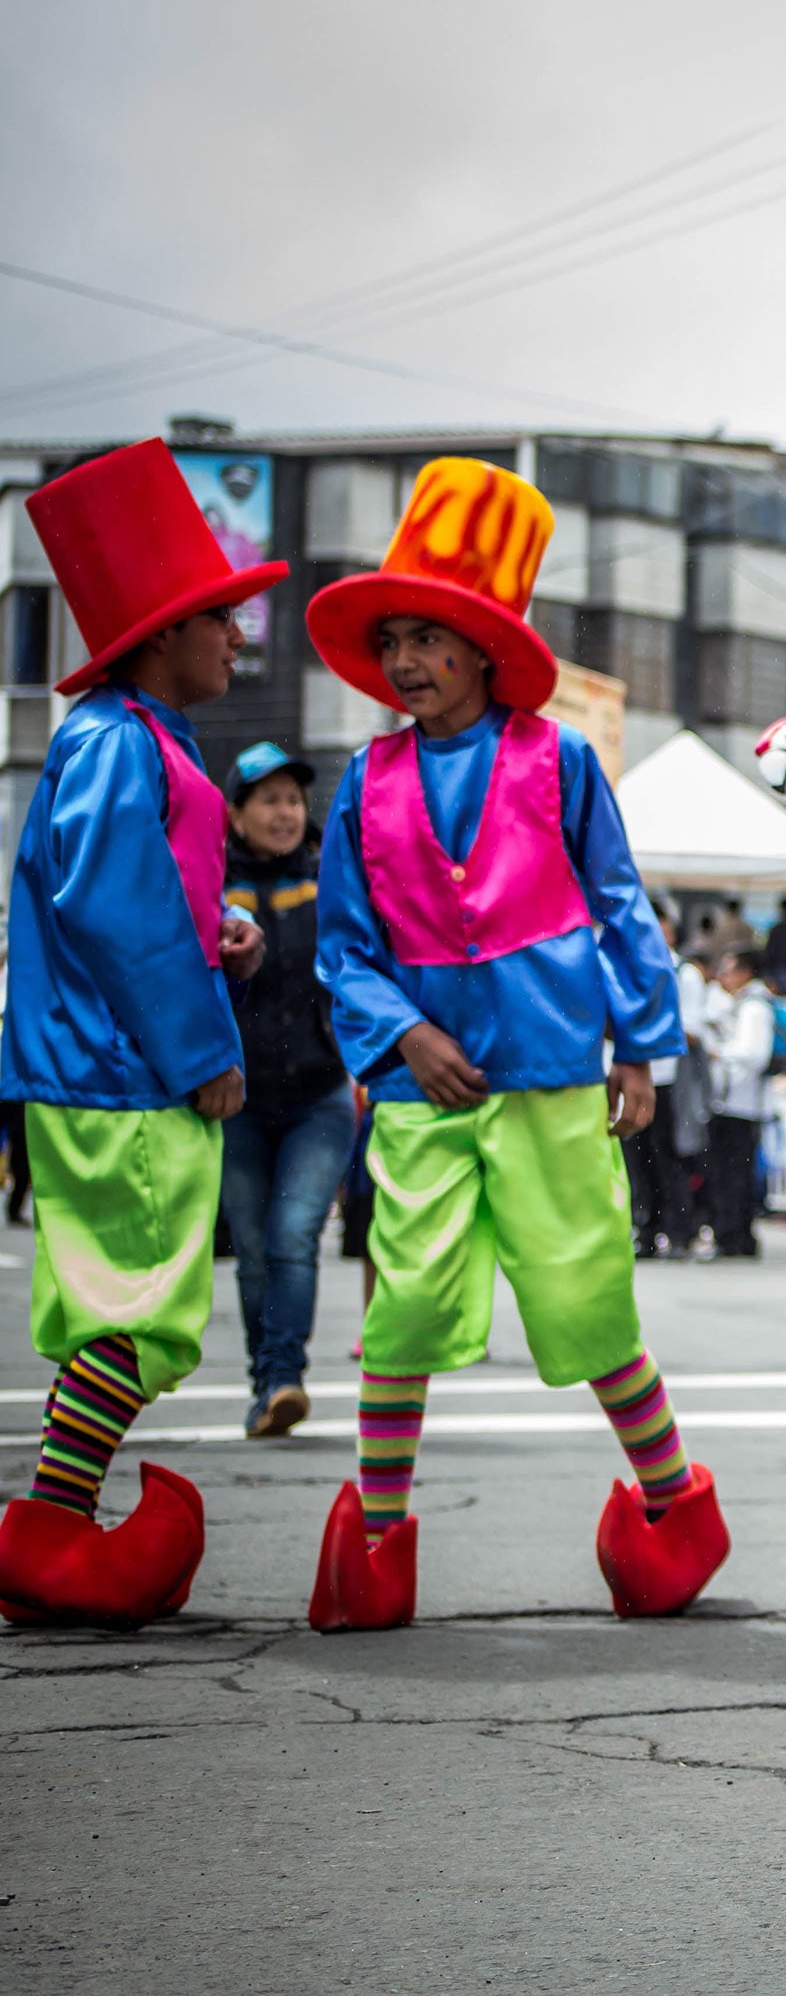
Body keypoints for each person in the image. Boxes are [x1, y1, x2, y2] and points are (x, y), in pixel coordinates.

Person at [304, 457, 725, 1630]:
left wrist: (638, 1045)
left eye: (431, 638)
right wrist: (404, 1033)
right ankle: (377, 1542)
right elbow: (345, 946)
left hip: (546, 1072)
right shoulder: (363, 781)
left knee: (586, 1295)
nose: (406, 662)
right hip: (421, 1091)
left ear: (486, 651)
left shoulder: (560, 760)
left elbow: (618, 898)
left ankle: (671, 1504)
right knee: (407, 1308)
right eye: (394, 638)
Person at [0, 439, 279, 1629]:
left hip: (95, 1060)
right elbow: (111, 900)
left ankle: (55, 1528)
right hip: (123, 1071)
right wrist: (201, 1045)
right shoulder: (123, 738)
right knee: (143, 1308)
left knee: (122, 1304)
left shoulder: (129, 737)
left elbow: (125, 889)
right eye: (221, 618)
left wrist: (214, 925)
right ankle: (51, 1532)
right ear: (162, 633)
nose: (238, 638)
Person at [220, 741, 356, 1439]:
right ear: (236, 813)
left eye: (293, 800)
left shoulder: (330, 879)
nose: (283, 812)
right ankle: (264, 1378)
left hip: (320, 1094)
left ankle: (283, 1377)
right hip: (234, 1100)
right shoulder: (208, 881)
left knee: (293, 1235)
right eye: (267, 799)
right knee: (251, 1245)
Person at [620, 896, 698, 1259]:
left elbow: (692, 1027)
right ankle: (645, 1228)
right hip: (628, 1073)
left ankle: (680, 1230)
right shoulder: (625, 964)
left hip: (667, 1075)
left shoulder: (685, 973)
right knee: (636, 1158)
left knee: (669, 1157)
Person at [699, 948, 774, 1261]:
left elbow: (755, 1054)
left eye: (729, 970)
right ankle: (733, 1233)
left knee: (734, 1174)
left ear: (746, 973)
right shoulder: (736, 1004)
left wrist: (721, 1053)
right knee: (729, 1173)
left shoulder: (755, 1008)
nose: (723, 977)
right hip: (730, 1102)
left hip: (741, 1105)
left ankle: (735, 1235)